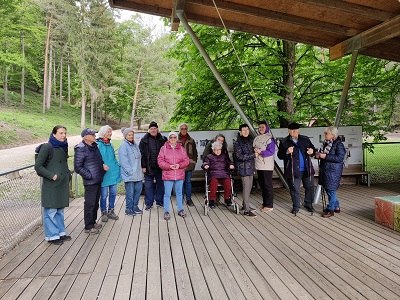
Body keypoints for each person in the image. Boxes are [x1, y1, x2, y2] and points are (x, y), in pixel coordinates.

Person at [35, 125, 71, 245]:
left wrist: (68, 175)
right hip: (51, 183)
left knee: (59, 210)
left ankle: (60, 233)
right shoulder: (47, 147)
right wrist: (52, 175)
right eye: (61, 133)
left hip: (61, 183)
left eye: (64, 133)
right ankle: (52, 236)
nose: (63, 135)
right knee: (51, 211)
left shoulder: (63, 146)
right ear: (54, 134)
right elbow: (38, 166)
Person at [277, 122, 316, 215]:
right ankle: (296, 206)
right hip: (293, 169)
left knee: (310, 187)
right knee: (295, 188)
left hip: (307, 168)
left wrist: (312, 151)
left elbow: (313, 149)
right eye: (292, 130)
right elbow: (280, 155)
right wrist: (287, 151)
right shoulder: (284, 141)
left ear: (299, 130)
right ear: (289, 131)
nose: (294, 132)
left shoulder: (305, 139)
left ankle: (308, 204)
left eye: (296, 130)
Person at [74, 128, 107, 234]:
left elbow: (99, 160)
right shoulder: (81, 148)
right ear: (85, 137)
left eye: (94, 134)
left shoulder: (94, 146)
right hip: (90, 181)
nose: (94, 135)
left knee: (95, 203)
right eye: (92, 134)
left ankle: (93, 222)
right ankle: (88, 226)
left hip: (98, 179)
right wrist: (90, 175)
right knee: (90, 204)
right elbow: (77, 167)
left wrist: (102, 167)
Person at [157, 131, 189, 221]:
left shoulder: (181, 148)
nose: (173, 139)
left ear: (177, 139)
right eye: (171, 137)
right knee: (167, 194)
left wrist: (179, 165)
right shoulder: (163, 148)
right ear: (168, 138)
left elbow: (186, 160)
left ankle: (180, 209)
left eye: (174, 137)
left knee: (179, 193)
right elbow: (160, 161)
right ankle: (166, 211)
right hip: (168, 175)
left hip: (179, 174)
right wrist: (169, 166)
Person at [316, 126, 346, 218]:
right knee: (330, 189)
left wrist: (325, 157)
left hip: (333, 172)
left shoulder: (339, 145)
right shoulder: (326, 143)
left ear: (333, 135)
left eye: (326, 133)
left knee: (331, 190)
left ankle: (330, 210)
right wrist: (318, 155)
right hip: (326, 170)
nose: (325, 135)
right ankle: (336, 206)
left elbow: (340, 158)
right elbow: (323, 154)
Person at [139, 121, 167, 210]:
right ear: (149, 130)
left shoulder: (163, 139)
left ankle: (159, 201)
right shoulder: (144, 140)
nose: (153, 130)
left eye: (155, 128)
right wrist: (143, 166)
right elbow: (141, 154)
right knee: (148, 186)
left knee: (161, 185)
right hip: (148, 167)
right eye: (151, 129)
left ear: (157, 129)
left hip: (160, 167)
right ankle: (149, 203)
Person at [97, 125, 121, 222]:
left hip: (113, 173)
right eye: (108, 132)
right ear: (103, 133)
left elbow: (113, 159)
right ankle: (103, 212)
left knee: (113, 193)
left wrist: (118, 166)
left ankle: (111, 211)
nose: (110, 133)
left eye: (111, 132)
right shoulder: (98, 144)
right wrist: (102, 165)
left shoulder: (110, 145)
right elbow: (96, 159)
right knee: (103, 195)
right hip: (103, 174)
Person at [118, 127, 143, 216]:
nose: (131, 136)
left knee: (138, 190)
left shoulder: (135, 145)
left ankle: (135, 207)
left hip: (138, 174)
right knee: (130, 193)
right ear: (125, 136)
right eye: (129, 135)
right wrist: (130, 172)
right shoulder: (123, 146)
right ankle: (128, 209)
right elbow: (123, 161)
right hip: (129, 175)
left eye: (132, 135)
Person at [233, 124, 257, 217]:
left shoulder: (251, 140)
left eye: (247, 129)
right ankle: (246, 210)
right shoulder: (237, 143)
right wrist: (254, 155)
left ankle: (244, 205)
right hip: (243, 168)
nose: (246, 131)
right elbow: (240, 157)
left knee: (249, 187)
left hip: (251, 167)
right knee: (246, 189)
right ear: (240, 132)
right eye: (243, 130)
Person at [203, 141, 235, 208]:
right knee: (213, 182)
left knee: (228, 181)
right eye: (216, 150)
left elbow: (230, 162)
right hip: (213, 174)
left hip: (224, 174)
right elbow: (205, 163)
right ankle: (211, 200)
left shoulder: (224, 156)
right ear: (213, 149)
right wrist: (205, 165)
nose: (218, 151)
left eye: (219, 149)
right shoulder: (209, 156)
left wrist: (231, 165)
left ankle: (227, 198)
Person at [253, 121, 276, 213]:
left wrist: (261, 152)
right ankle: (265, 203)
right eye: (259, 127)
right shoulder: (256, 138)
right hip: (258, 165)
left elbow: (271, 151)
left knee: (267, 185)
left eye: (262, 127)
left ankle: (269, 205)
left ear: (266, 128)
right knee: (262, 185)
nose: (261, 129)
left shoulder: (270, 138)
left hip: (267, 165)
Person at [178, 123, 198, 206]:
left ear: (187, 130)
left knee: (188, 182)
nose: (183, 130)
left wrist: (194, 162)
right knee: (180, 183)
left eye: (185, 128)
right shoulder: (175, 139)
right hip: (179, 166)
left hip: (189, 165)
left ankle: (189, 200)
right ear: (180, 130)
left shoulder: (191, 140)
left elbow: (195, 153)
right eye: (182, 129)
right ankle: (181, 199)